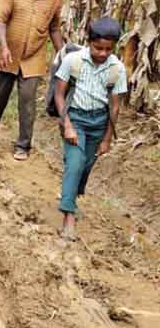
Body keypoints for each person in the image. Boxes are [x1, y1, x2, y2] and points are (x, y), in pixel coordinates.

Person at [53, 17, 127, 241]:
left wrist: (107, 139)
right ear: (89, 41)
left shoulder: (117, 68)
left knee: (84, 167)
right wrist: (67, 125)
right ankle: (68, 216)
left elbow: (114, 108)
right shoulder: (73, 61)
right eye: (98, 48)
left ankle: (72, 195)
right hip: (75, 117)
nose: (103, 53)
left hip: (99, 123)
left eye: (108, 49)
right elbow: (59, 94)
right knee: (75, 164)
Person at [0, 0, 64, 160]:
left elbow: (54, 27)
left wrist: (62, 54)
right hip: (8, 52)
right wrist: (3, 47)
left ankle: (23, 145)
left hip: (34, 56)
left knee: (28, 101)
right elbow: (1, 20)